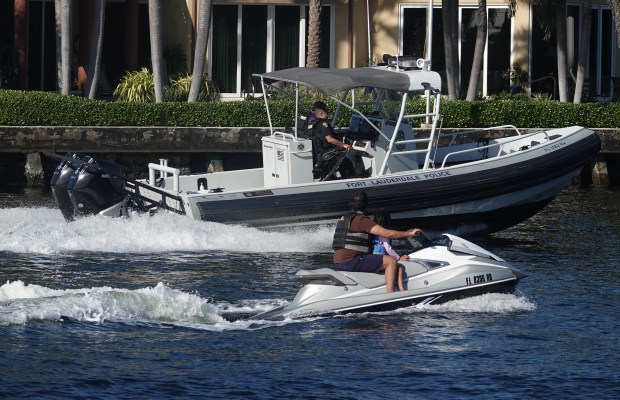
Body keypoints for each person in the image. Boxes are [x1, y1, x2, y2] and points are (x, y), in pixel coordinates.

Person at [332, 191, 422, 293]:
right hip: (351, 261)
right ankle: (390, 293)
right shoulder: (361, 219)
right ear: (366, 205)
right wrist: (409, 233)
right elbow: (387, 234)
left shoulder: (344, 218)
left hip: (338, 261)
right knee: (391, 261)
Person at [306, 101, 355, 179]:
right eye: (326, 111)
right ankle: (351, 181)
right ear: (322, 113)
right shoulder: (323, 124)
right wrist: (344, 145)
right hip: (328, 152)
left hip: (321, 153)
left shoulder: (314, 124)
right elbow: (329, 139)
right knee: (346, 162)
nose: (328, 114)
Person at [372, 209, 408, 291]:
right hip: (379, 259)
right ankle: (401, 291)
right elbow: (388, 248)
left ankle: (401, 291)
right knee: (400, 268)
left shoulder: (373, 232)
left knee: (398, 267)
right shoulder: (384, 233)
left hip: (373, 258)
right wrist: (399, 259)